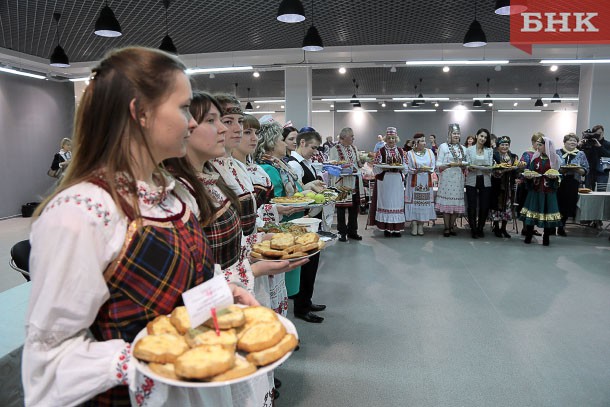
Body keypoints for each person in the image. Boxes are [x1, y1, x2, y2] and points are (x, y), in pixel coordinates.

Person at [22, 47, 259, 407]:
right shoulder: (80, 214)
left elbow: (179, 292)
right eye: (183, 108)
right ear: (141, 113)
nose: (193, 123)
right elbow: (49, 364)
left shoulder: (175, 195)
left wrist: (222, 294)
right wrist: (147, 358)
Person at [255, 121, 305, 302]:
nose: (285, 144)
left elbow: (294, 191)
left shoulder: (279, 164)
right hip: (280, 226)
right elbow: (274, 200)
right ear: (270, 142)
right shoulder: (268, 168)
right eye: (281, 140)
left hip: (292, 222)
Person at [286, 130, 328, 323]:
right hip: (303, 218)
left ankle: (306, 300)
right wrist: (310, 187)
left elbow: (304, 187)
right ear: (301, 143)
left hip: (310, 217)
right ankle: (301, 307)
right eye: (312, 147)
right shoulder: (294, 164)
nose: (314, 152)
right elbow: (295, 192)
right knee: (306, 264)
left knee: (312, 262)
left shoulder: (304, 163)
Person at [520, 134, 563, 246]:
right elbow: (531, 171)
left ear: (547, 146)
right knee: (532, 211)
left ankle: (546, 237)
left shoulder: (554, 159)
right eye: (537, 144)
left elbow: (558, 174)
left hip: (548, 191)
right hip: (536, 189)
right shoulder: (535, 158)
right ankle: (528, 235)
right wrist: (529, 177)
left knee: (547, 212)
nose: (538, 147)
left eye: (540, 145)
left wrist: (555, 177)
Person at [369, 127, 407, 237]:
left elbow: (406, 167)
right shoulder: (381, 151)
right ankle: (387, 228)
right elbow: (376, 167)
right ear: (386, 139)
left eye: (393, 138)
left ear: (396, 139)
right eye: (389, 138)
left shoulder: (401, 151)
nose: (391, 140)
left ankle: (396, 228)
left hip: (396, 180)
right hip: (385, 181)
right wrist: (384, 168)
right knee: (386, 202)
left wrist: (401, 168)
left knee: (396, 203)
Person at [328, 127, 364, 242]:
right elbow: (333, 166)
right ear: (344, 137)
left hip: (354, 181)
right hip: (341, 182)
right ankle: (342, 232)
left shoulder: (354, 148)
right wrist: (344, 167)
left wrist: (362, 161)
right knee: (341, 208)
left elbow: (358, 163)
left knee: (354, 208)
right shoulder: (335, 149)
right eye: (351, 136)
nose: (353, 138)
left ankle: (353, 231)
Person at [435, 124, 467, 237]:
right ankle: (446, 227)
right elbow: (438, 163)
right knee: (447, 205)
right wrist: (447, 165)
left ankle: (452, 226)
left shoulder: (463, 148)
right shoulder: (443, 147)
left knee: (455, 205)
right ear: (449, 134)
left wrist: (464, 166)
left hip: (458, 179)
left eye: (458, 133)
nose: (456, 135)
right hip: (446, 179)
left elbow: (466, 164)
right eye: (454, 133)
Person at [556, 133, 589, 236]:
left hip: (573, 182)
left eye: (575, 140)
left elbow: (586, 169)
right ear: (565, 142)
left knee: (568, 204)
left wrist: (578, 170)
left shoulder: (581, 154)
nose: (573, 142)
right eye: (570, 140)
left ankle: (562, 226)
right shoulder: (557, 152)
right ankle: (551, 226)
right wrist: (561, 170)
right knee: (556, 204)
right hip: (558, 181)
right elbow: (552, 166)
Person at [489, 136, 522, 238]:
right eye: (502, 144)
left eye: (506, 145)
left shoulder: (513, 156)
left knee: (507, 207)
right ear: (498, 146)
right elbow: (493, 170)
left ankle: (504, 228)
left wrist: (519, 169)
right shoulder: (494, 155)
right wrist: (503, 170)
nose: (504, 147)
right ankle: (496, 227)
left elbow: (517, 171)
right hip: (497, 186)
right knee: (497, 206)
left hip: (509, 186)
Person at [404, 133, 437, 236]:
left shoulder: (429, 152)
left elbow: (433, 166)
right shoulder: (410, 153)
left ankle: (421, 225)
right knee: (414, 203)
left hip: (426, 181)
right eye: (422, 141)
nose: (424, 143)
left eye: (424, 140)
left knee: (423, 203)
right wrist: (416, 170)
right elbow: (407, 168)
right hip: (414, 181)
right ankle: (414, 224)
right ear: (416, 143)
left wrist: (427, 169)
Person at [465, 128, 494, 239]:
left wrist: (486, 168)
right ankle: (473, 229)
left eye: (485, 137)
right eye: (481, 136)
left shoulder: (489, 150)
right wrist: (470, 166)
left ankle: (480, 228)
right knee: (472, 205)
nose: (483, 139)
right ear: (477, 136)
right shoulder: (469, 150)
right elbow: (467, 164)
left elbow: (490, 166)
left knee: (484, 205)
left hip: (485, 179)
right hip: (472, 178)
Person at [516, 133, 544, 237]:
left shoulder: (543, 155)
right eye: (537, 142)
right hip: (526, 184)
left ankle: (532, 227)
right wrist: (521, 166)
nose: (539, 145)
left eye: (541, 143)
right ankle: (525, 228)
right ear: (533, 142)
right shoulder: (527, 154)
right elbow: (522, 167)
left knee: (535, 207)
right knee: (525, 206)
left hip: (538, 185)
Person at [579, 125, 610, 190]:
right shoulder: (588, 143)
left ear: (603, 132)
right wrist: (580, 146)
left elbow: (608, 155)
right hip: (590, 170)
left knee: (601, 191)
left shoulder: (607, 144)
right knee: (588, 190)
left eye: (600, 133)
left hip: (603, 171)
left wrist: (600, 147)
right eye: (596, 133)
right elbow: (580, 154)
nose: (599, 135)